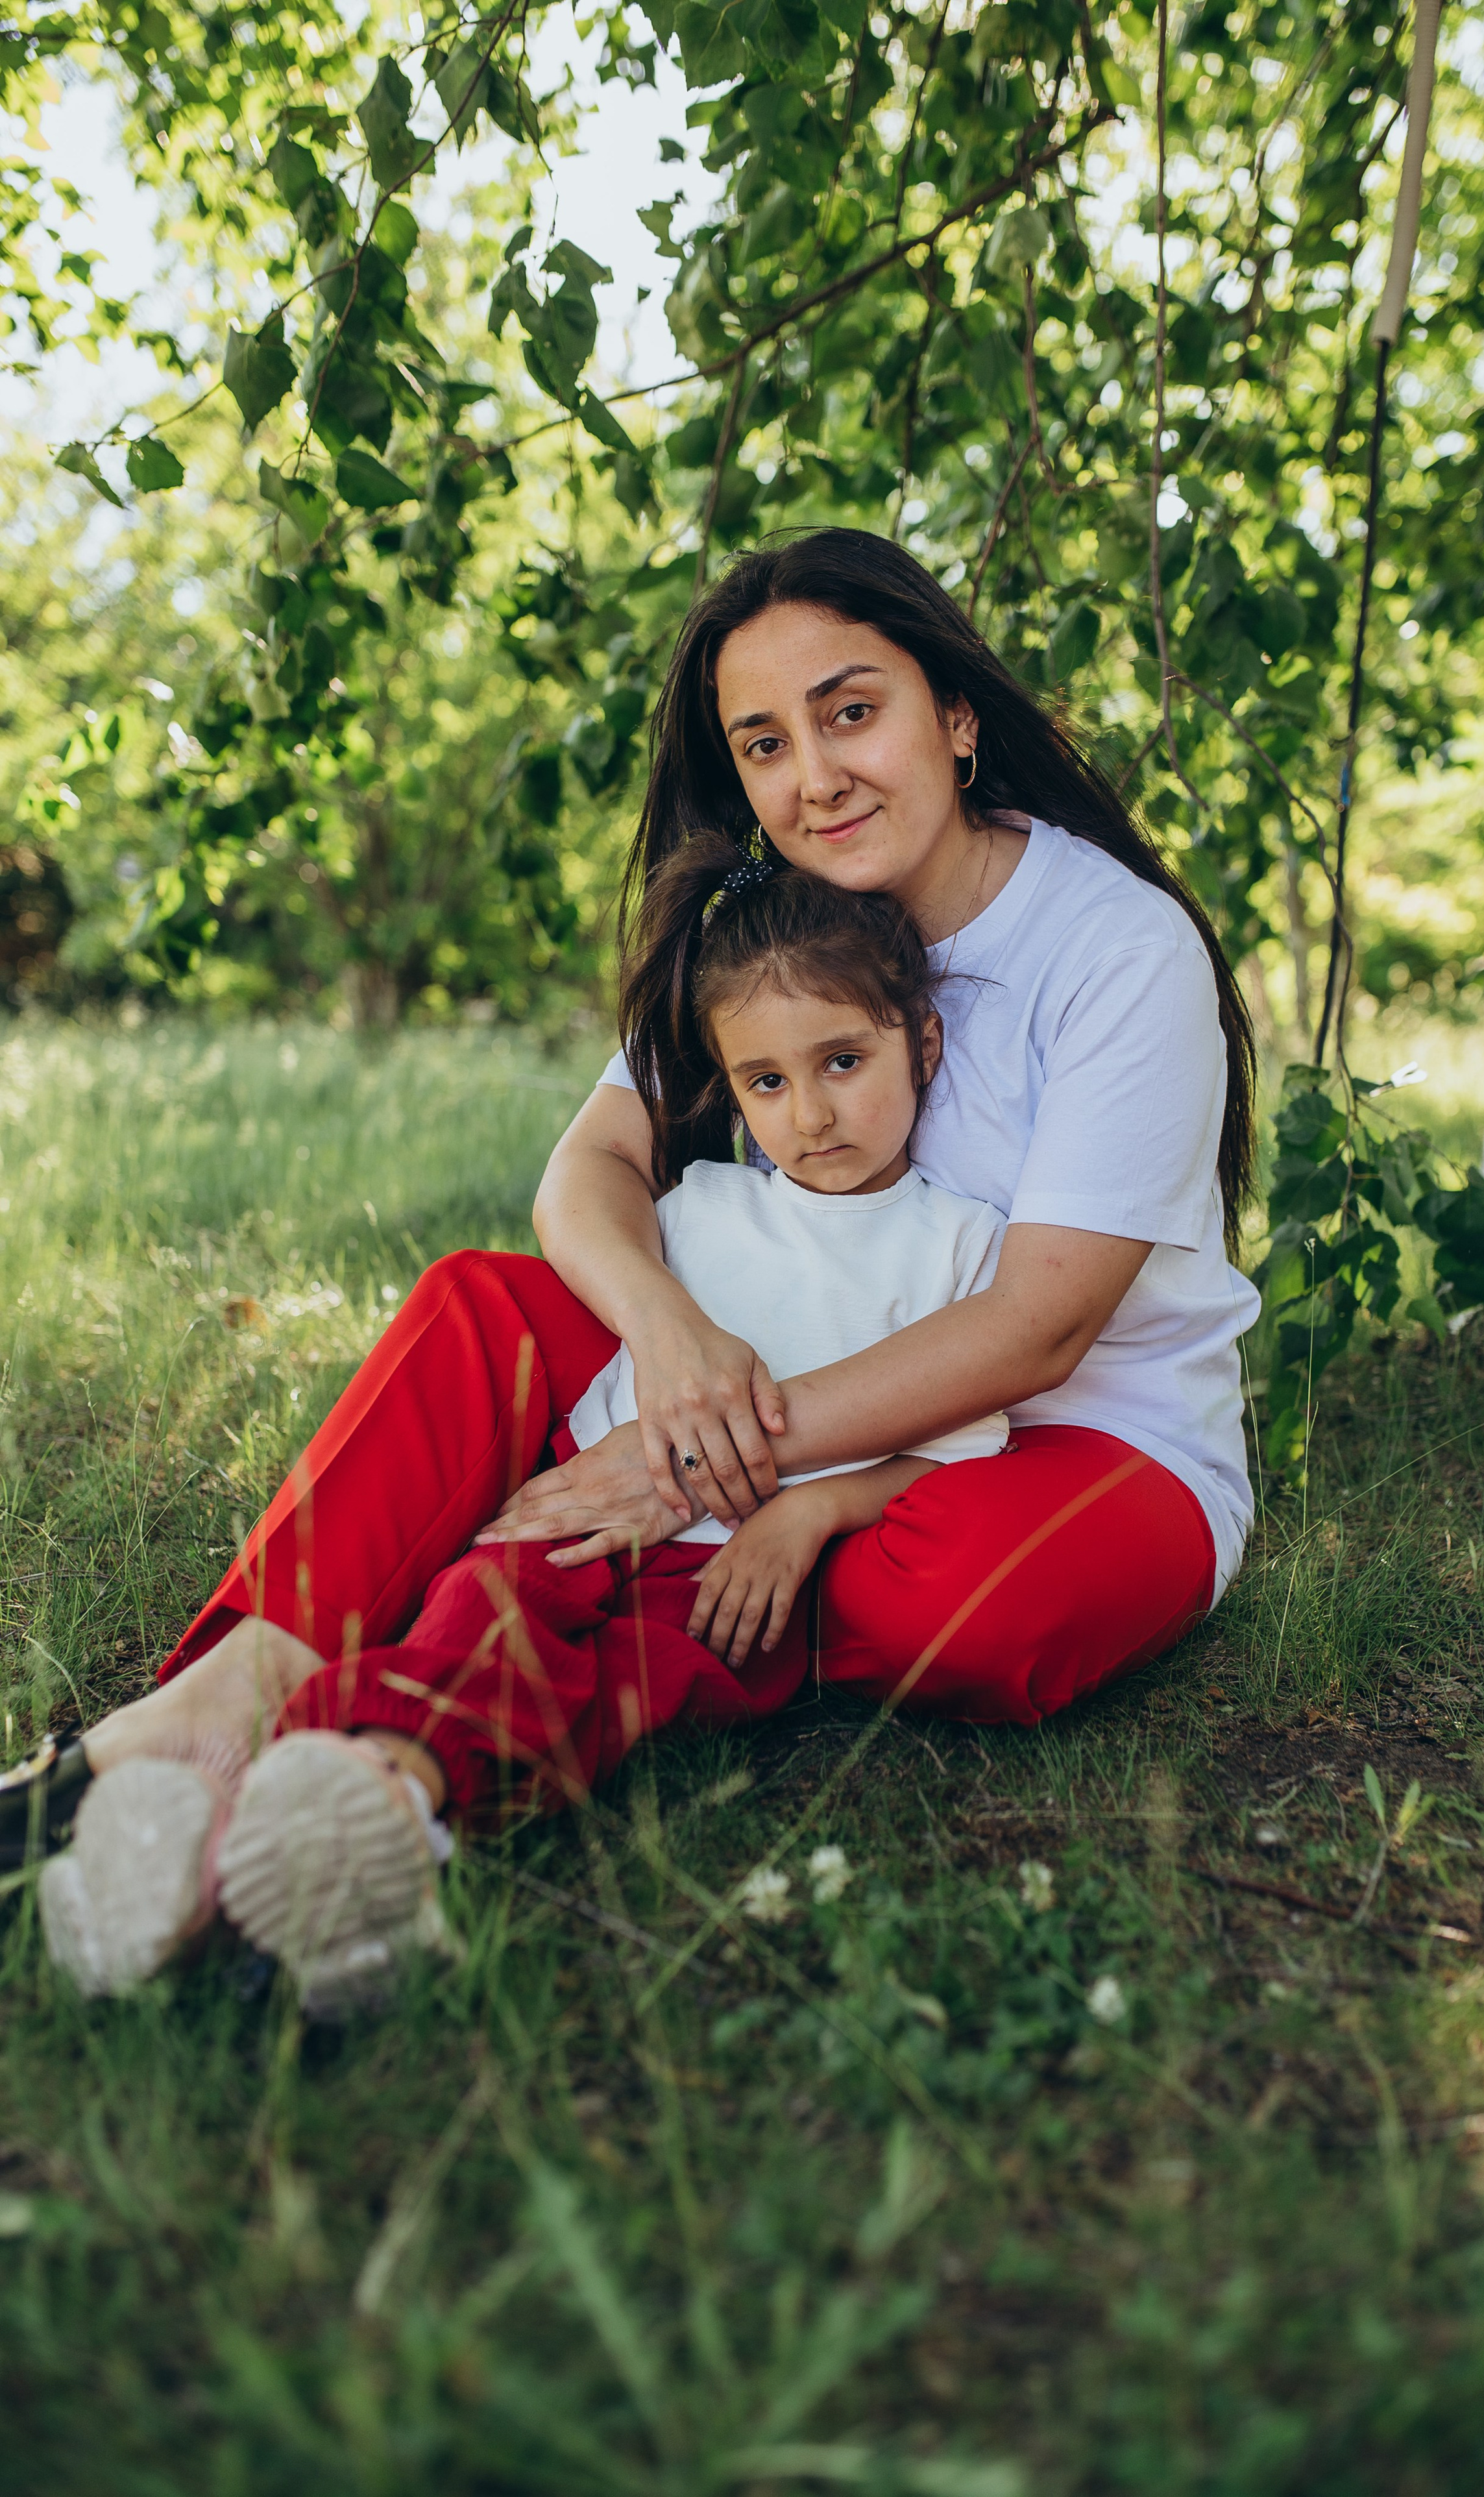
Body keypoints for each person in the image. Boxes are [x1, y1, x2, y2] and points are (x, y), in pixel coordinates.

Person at [2, 525, 1261, 2006]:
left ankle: (443, 1716)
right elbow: (583, 1177)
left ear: (955, 715)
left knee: (972, 1605)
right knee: (488, 1309)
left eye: (851, 711)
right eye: (764, 743)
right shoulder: (772, 942)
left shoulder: (1115, 946)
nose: (815, 776)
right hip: (754, 1382)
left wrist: (684, 1464)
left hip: (1057, 1446)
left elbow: (1039, 1328)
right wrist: (665, 1335)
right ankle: (237, 1691)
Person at [32, 855, 1012, 2008]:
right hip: (585, 1505)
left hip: (737, 1576)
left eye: (844, 1063)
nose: (810, 1113)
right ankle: (351, 1804)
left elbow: (951, 1448)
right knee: (478, 1612)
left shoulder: (959, 1246)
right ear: (730, 1092)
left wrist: (808, 1511)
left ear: (924, 1047)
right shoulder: (697, 1210)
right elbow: (623, 1339)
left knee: (607, 1692)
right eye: (766, 1082)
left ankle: (316, 1817)